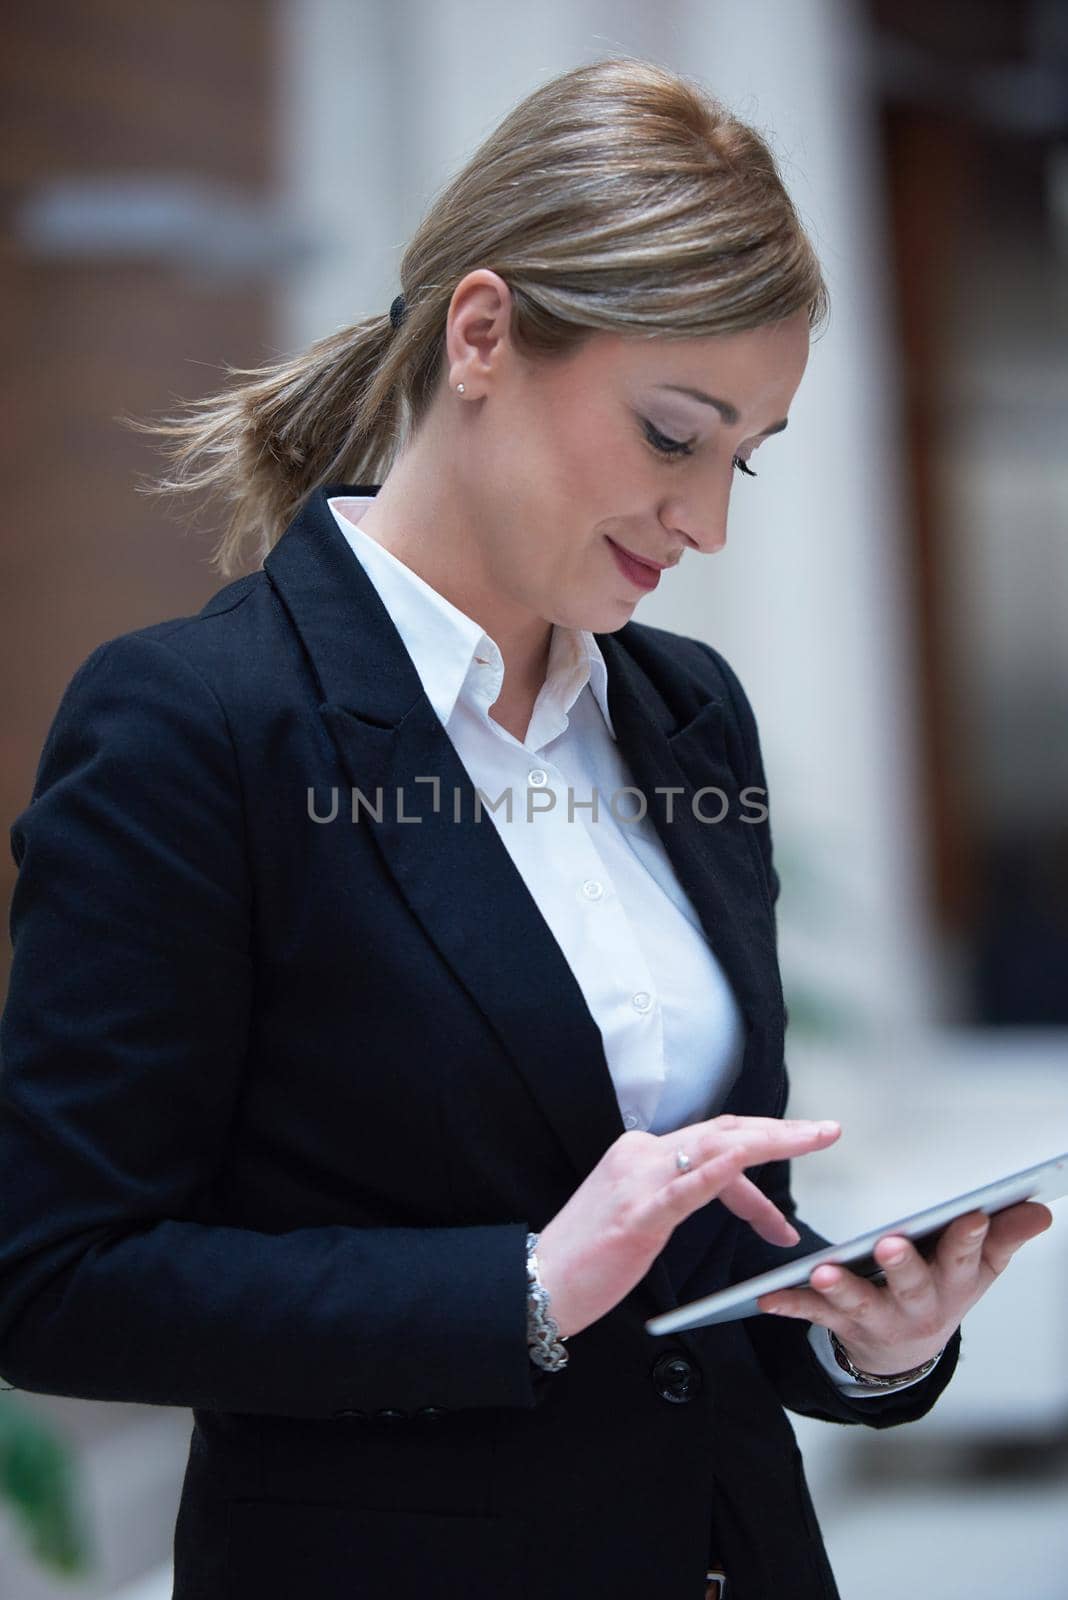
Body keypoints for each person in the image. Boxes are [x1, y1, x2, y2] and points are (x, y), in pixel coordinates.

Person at [0, 56, 1052, 1600]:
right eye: (675, 435)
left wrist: (872, 1342)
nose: (708, 522)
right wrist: (521, 1290)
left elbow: (696, 1235)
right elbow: (55, 1278)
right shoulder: (199, 725)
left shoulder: (687, 713)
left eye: (745, 456)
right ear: (481, 333)